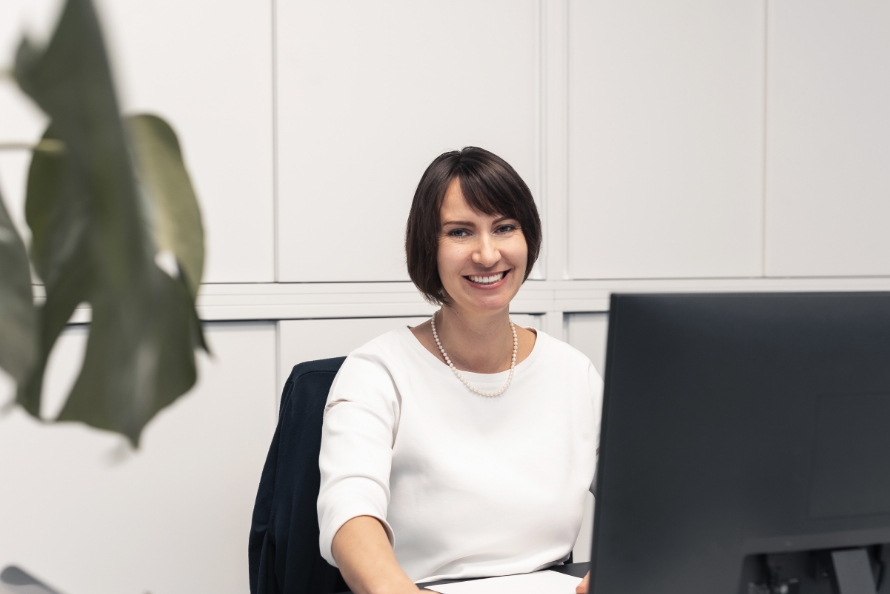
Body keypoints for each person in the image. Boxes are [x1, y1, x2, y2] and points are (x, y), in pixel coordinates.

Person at [316, 147, 602, 594]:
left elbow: (644, 506)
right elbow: (349, 515)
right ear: (429, 247)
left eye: (504, 227)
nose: (488, 255)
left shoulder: (573, 373)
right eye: (460, 232)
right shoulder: (377, 371)